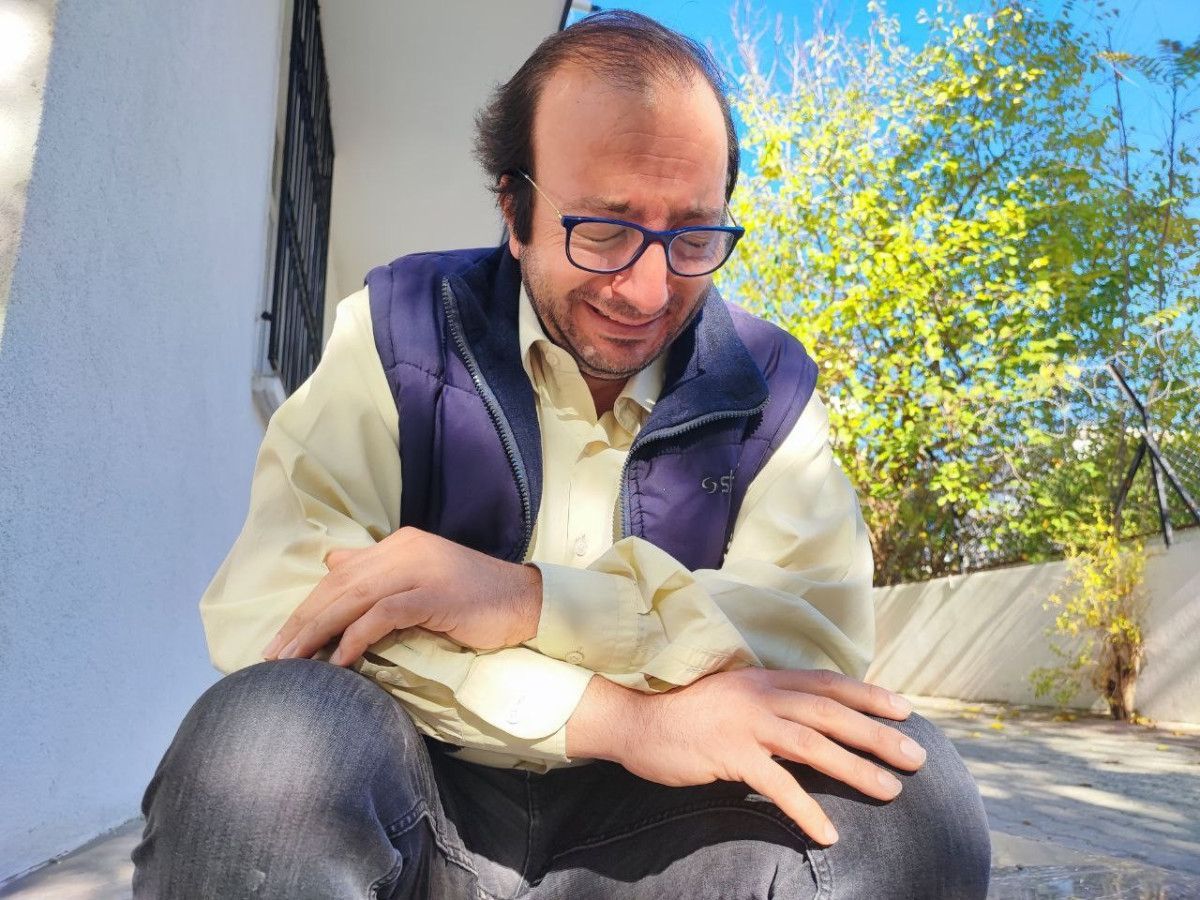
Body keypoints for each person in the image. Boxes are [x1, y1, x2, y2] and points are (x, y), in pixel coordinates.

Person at [132, 10, 990, 899]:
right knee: (266, 742)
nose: (648, 291)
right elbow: (279, 603)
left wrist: (526, 601)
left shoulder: (769, 384)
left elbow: (812, 635)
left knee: (908, 795)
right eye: (605, 230)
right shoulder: (399, 328)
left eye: (694, 235)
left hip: (663, 836)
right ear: (516, 211)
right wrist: (617, 720)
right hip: (416, 803)